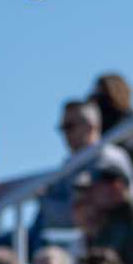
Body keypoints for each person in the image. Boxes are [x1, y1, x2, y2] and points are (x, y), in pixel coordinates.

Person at [29, 100, 103, 250]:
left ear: (91, 126)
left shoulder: (105, 159)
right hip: (67, 241)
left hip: (89, 244)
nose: (64, 134)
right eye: (62, 128)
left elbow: (82, 214)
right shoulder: (70, 163)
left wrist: (44, 200)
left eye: (69, 127)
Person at [90, 73, 133, 178]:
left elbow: (128, 154)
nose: (93, 100)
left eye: (98, 96)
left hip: (118, 179)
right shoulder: (121, 121)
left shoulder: (126, 123)